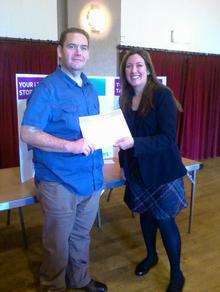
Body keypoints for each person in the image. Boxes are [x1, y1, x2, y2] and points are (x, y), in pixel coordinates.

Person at [20, 27, 107, 292]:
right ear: (59, 51)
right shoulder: (47, 89)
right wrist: (70, 145)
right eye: (71, 46)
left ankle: (79, 280)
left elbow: (93, 132)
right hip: (59, 181)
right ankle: (52, 286)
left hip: (90, 178)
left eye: (83, 47)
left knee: (81, 237)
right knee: (57, 244)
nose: (77, 52)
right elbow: (27, 133)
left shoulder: (90, 88)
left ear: (88, 53)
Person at [115, 49, 188, 292]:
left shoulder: (162, 95)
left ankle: (177, 273)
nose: (133, 70)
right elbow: (124, 136)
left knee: (165, 221)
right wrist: (124, 165)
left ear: (148, 68)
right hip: (137, 171)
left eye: (138, 65)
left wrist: (136, 144)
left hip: (162, 172)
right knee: (146, 217)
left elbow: (168, 139)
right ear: (124, 72)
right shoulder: (124, 99)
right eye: (128, 66)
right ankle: (151, 256)